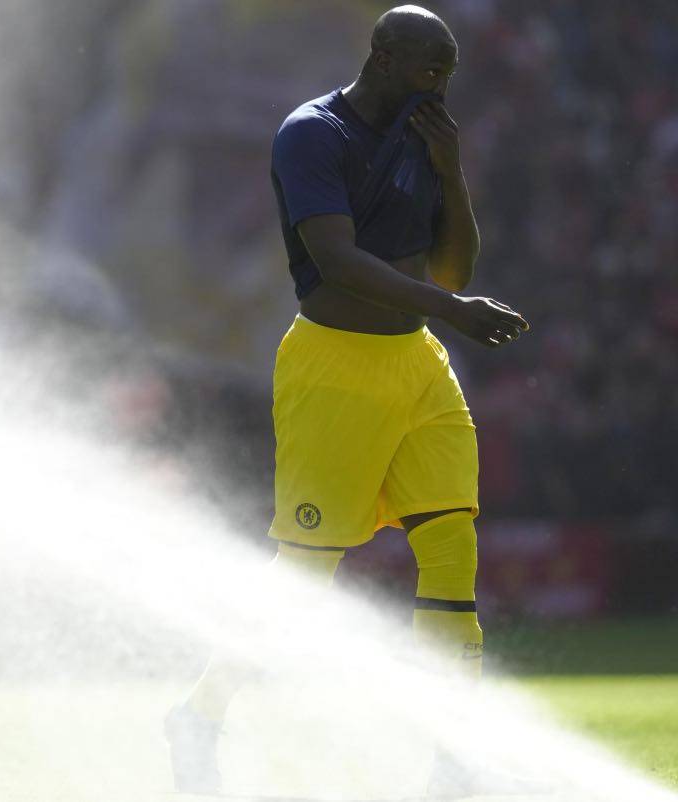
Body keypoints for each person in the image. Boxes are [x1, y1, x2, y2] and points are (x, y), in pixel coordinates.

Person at [164, 5, 530, 795]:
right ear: (385, 55)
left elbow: (453, 274)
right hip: (334, 368)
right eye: (430, 69)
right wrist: (453, 313)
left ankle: (452, 762)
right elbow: (336, 261)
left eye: (449, 73)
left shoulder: (423, 138)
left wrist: (453, 168)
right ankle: (200, 713)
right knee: (304, 575)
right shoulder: (312, 134)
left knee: (450, 550)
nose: (440, 86)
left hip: (418, 367)